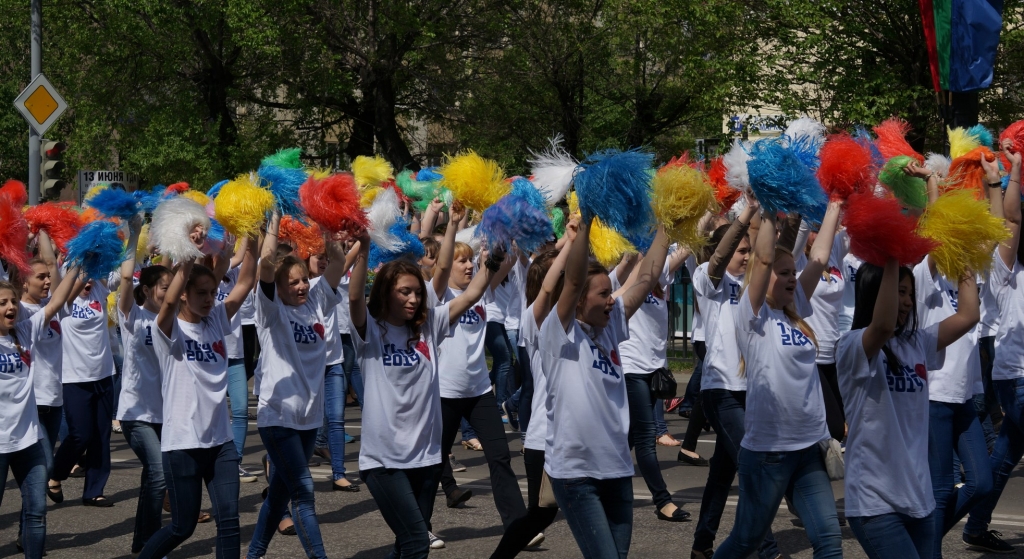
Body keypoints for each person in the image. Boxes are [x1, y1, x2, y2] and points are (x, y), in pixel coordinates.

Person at [349, 230, 496, 559]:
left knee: (406, 545)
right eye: (405, 292)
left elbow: (470, 296)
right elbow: (356, 298)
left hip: (428, 458)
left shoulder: (429, 326)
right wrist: (364, 249)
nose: (414, 299)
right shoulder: (371, 330)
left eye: (418, 293)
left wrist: (493, 260)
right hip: (385, 461)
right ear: (387, 293)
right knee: (417, 542)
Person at [713, 206, 842, 559]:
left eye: (793, 274)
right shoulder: (752, 315)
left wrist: (835, 203)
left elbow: (819, 256)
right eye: (783, 273)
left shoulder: (794, 310)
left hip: (809, 450)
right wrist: (768, 206)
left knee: (829, 542)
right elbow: (766, 256)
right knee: (745, 541)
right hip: (768, 453)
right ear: (762, 275)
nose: (792, 278)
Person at [540, 215, 670, 559]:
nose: (612, 299)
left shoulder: (610, 326)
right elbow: (572, 281)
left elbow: (647, 277)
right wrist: (584, 225)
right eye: (603, 294)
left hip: (617, 469)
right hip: (577, 475)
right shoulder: (558, 333)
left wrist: (669, 223)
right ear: (580, 300)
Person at [838, 256, 978, 559]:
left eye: (910, 293)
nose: (907, 301)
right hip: (874, 502)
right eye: (899, 292)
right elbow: (884, 324)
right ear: (874, 292)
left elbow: (968, 316)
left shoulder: (918, 342)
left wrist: (965, 252)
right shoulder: (851, 346)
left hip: (920, 498)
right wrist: (891, 252)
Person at [138, 226, 258, 559]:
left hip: (220, 442)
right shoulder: (168, 329)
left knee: (230, 522)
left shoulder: (217, 319)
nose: (209, 299)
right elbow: (170, 300)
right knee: (183, 526)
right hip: (183, 445)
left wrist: (254, 234)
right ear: (186, 294)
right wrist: (188, 256)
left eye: (212, 292)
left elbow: (246, 282)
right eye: (201, 293)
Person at [245, 212, 348, 559]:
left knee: (279, 494)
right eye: (293, 282)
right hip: (278, 417)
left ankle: (255, 553)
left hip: (308, 418)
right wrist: (274, 217)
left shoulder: (316, 301)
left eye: (304, 279)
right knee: (303, 492)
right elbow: (265, 263)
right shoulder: (271, 311)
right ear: (279, 286)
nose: (302, 286)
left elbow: (336, 261)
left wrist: (326, 221)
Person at [906, 160, 994, 557]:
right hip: (934, 395)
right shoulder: (926, 274)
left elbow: (996, 233)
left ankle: (921, 543)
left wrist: (993, 185)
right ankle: (927, 550)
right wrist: (930, 184)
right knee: (940, 488)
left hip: (963, 397)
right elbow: (936, 230)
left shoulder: (968, 275)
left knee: (981, 483)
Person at [690, 198, 780, 559]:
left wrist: (774, 210)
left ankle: (701, 544)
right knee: (754, 469)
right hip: (721, 389)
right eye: (740, 250)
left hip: (750, 390)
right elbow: (719, 257)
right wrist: (745, 215)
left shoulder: (752, 283)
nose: (745, 256)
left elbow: (772, 250)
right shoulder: (705, 278)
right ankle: (768, 549)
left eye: (747, 251)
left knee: (722, 474)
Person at [961, 141, 1024, 553]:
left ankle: (970, 522)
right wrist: (1008, 174)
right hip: (1016, 377)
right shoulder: (1006, 271)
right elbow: (1011, 219)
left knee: (1004, 457)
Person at [3, 258, 80, 559]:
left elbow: (57, 298)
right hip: (0, 442)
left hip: (29, 436)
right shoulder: (20, 316)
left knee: (37, 512)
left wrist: (80, 258)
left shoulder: (24, 331)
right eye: (2, 303)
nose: (10, 308)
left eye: (11, 302)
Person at [617, 244, 691, 522]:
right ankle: (662, 501)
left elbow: (686, 246)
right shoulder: (628, 275)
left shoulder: (660, 276)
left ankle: (592, 479)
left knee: (629, 437)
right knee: (647, 437)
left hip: (654, 370)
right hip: (631, 367)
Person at [116, 215, 174, 556]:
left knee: (151, 481)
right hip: (135, 413)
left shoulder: (172, 319)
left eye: (171, 287)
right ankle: (153, 546)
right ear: (148, 291)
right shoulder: (132, 316)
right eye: (163, 287)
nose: (169, 292)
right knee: (158, 475)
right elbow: (127, 277)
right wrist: (136, 231)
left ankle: (141, 545)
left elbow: (177, 274)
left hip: (165, 413)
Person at [50, 262, 119, 507]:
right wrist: (84, 263)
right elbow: (74, 280)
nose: (87, 282)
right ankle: (56, 474)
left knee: (101, 435)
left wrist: (132, 236)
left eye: (89, 277)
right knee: (80, 434)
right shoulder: (62, 302)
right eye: (81, 278)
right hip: (74, 377)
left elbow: (124, 273)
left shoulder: (100, 291)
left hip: (103, 374)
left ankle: (94, 491)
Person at [311, 243, 362, 491]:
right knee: (303, 422)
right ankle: (278, 465)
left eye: (325, 258)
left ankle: (339, 473)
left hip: (333, 361)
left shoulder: (325, 284)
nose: (322, 262)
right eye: (317, 257)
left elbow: (342, 261)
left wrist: (363, 235)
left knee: (337, 418)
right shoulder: (297, 288)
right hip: (308, 366)